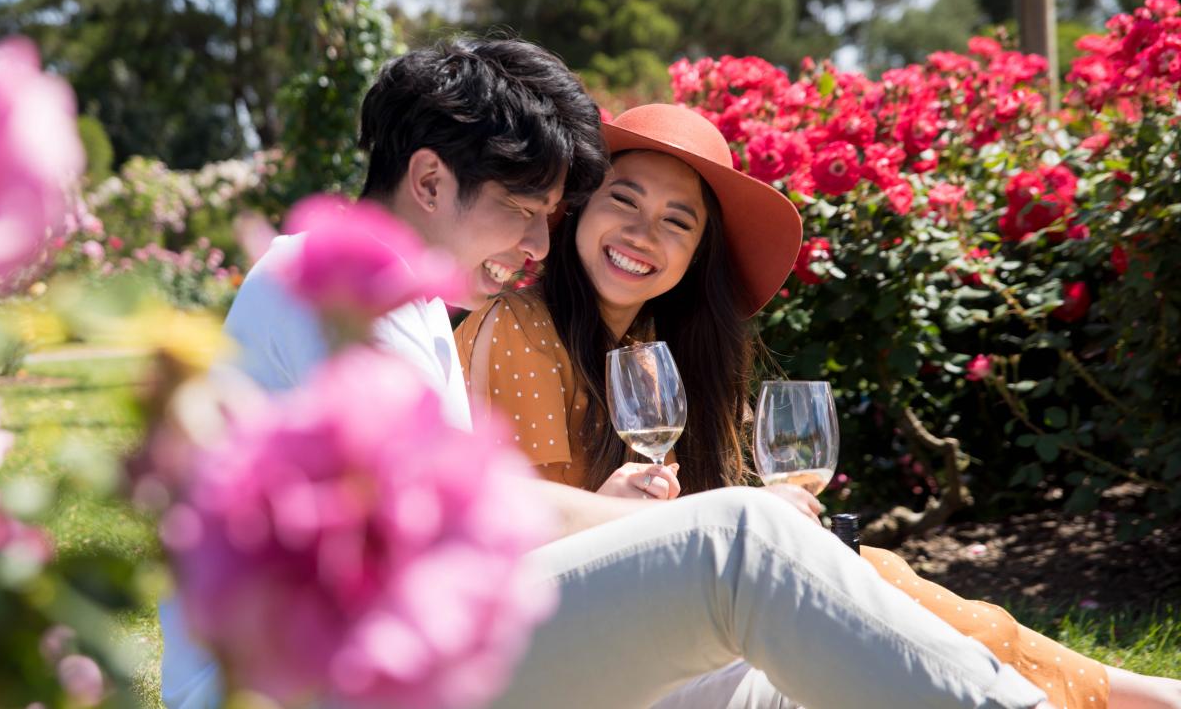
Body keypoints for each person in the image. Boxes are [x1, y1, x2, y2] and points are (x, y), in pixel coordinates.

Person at [161, 38, 1056, 709]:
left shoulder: (407, 307)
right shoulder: (326, 282)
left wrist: (611, 524)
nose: (538, 246)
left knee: (758, 675)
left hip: (413, 664)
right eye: (520, 210)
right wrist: (643, 520)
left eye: (551, 215)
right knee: (741, 541)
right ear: (429, 181)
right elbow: (449, 514)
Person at [457, 103, 1181, 709]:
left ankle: (1128, 693)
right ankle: (1130, 696)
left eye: (678, 222)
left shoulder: (643, 345)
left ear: (696, 257)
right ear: (578, 207)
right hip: (527, 648)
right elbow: (518, 536)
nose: (645, 234)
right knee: (864, 583)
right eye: (624, 199)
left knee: (871, 572)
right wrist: (636, 512)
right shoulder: (525, 329)